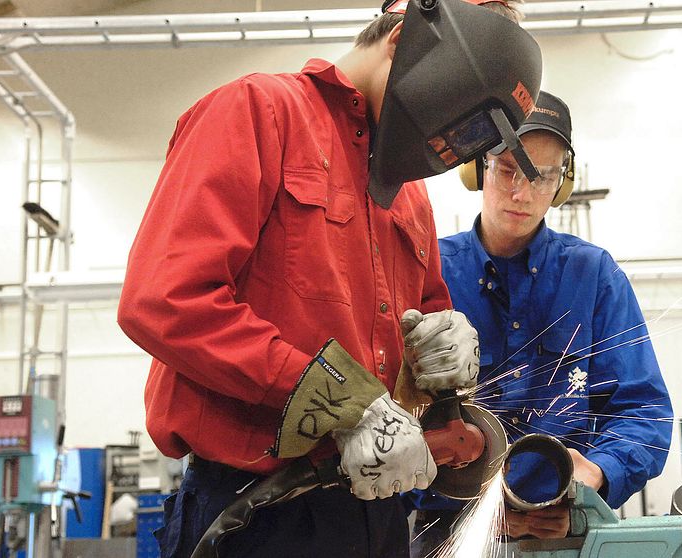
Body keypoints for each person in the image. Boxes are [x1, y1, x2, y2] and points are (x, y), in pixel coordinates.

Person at [116, 1, 540, 556]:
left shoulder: (407, 192)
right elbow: (166, 300)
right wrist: (347, 404)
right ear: (402, 42)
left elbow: (419, 326)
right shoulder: (259, 111)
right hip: (256, 513)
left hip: (374, 508)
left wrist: (441, 358)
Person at [408, 92, 673, 554]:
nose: (522, 192)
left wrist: (596, 474)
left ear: (561, 184)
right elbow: (390, 419)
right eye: (509, 169)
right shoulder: (428, 272)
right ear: (477, 169)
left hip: (571, 532)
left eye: (542, 176)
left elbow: (642, 410)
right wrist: (452, 493)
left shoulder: (593, 276)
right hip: (448, 531)